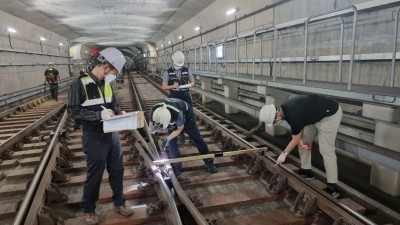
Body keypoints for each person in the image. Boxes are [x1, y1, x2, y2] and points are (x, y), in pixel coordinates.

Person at [67, 47, 133, 225]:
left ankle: (119, 202)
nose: (113, 75)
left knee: (117, 170)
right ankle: (88, 210)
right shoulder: (78, 83)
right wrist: (97, 116)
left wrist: (120, 112)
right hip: (94, 136)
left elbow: (113, 103)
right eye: (113, 71)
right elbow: (72, 111)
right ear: (105, 66)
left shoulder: (106, 83)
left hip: (112, 135)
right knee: (95, 174)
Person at [259, 94, 343, 198]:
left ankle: (333, 187)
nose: (276, 123)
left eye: (274, 121)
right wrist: (300, 141)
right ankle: (306, 171)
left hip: (329, 115)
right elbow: (298, 131)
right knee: (304, 142)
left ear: (277, 114)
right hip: (315, 115)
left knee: (326, 150)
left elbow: (295, 138)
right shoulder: (285, 109)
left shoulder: (293, 114)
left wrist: (284, 154)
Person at [149, 98, 218, 179]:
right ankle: (176, 166)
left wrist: (167, 138)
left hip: (187, 115)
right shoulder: (154, 112)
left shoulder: (177, 114)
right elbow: (150, 128)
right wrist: (152, 130)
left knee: (196, 138)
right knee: (172, 143)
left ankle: (208, 161)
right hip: (172, 114)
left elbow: (179, 129)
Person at [162, 51, 195, 143]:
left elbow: (193, 82)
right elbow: (164, 86)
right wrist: (173, 86)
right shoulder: (167, 73)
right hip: (174, 97)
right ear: (173, 61)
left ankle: (192, 135)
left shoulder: (187, 70)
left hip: (186, 96)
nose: (178, 66)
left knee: (189, 116)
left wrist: (188, 85)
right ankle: (180, 134)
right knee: (177, 117)